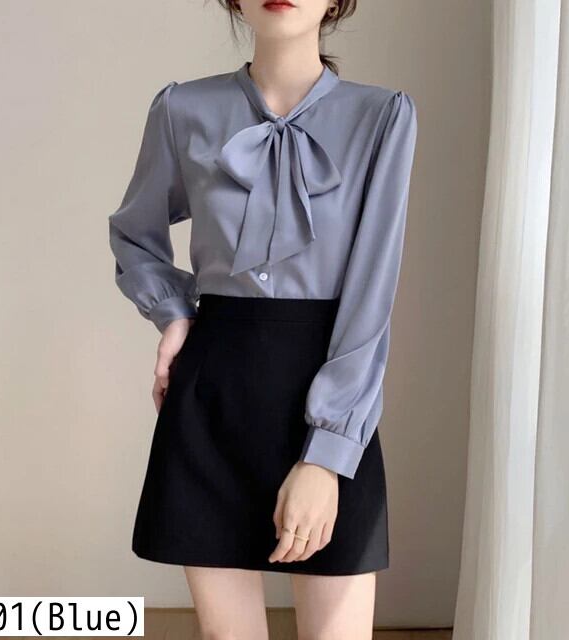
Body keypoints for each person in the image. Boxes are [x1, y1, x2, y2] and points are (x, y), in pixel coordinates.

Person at [107, 0, 418, 637]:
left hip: (330, 389)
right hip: (211, 394)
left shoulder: (382, 117)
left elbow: (373, 289)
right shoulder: (182, 109)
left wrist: (327, 455)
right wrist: (174, 316)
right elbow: (135, 234)